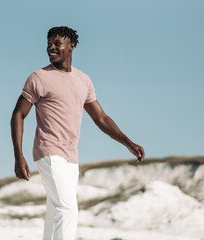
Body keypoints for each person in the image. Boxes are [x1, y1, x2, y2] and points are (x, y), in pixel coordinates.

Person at [10, 26, 145, 240]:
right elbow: (18, 114)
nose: (51, 48)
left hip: (71, 158)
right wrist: (19, 156)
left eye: (57, 44)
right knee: (67, 209)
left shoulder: (83, 81)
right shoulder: (39, 77)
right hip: (49, 152)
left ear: (71, 46)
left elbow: (101, 118)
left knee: (56, 210)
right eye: (49, 44)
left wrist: (127, 142)